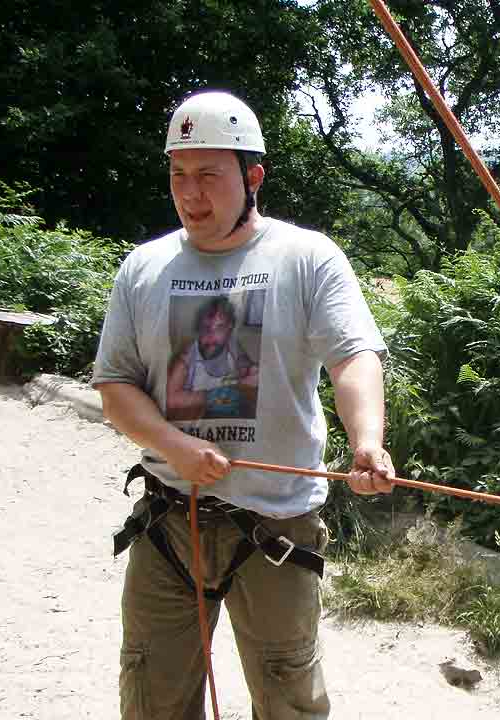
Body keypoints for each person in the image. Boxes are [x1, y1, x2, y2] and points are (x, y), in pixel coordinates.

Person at [92, 89, 394, 719]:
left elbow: (353, 357)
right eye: (179, 174)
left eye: (209, 175)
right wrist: (175, 446)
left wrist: (367, 438)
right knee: (151, 700)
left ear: (253, 176)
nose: (190, 193)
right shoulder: (143, 269)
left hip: (276, 525)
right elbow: (116, 386)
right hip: (168, 519)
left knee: (289, 701)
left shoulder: (306, 259)